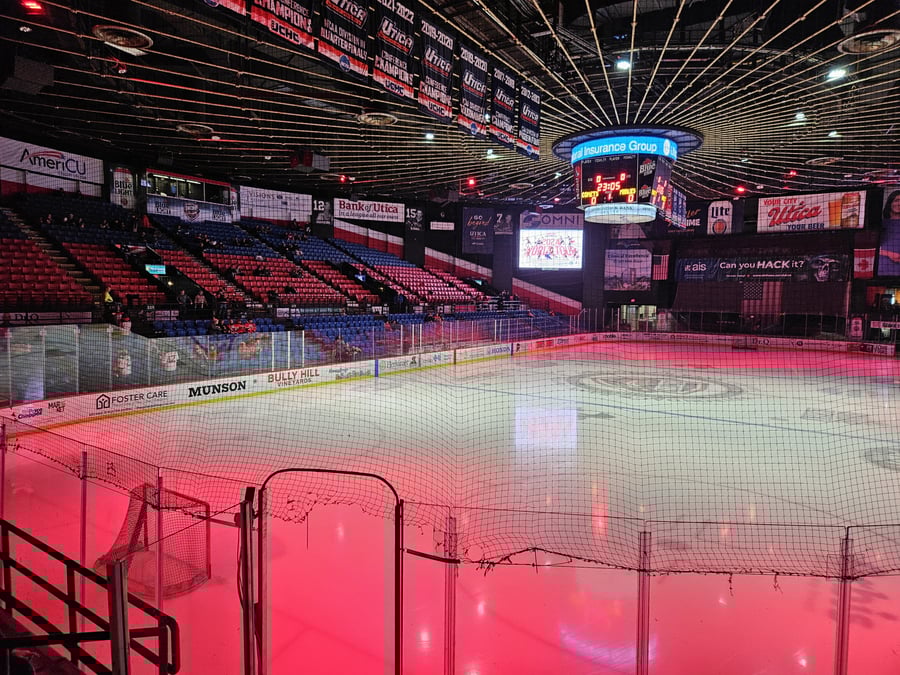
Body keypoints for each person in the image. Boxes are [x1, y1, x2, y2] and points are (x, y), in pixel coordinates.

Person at [879, 190, 900, 276]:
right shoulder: (880, 224)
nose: (899, 204)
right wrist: (890, 254)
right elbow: (869, 247)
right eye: (896, 200)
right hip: (882, 267)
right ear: (890, 202)